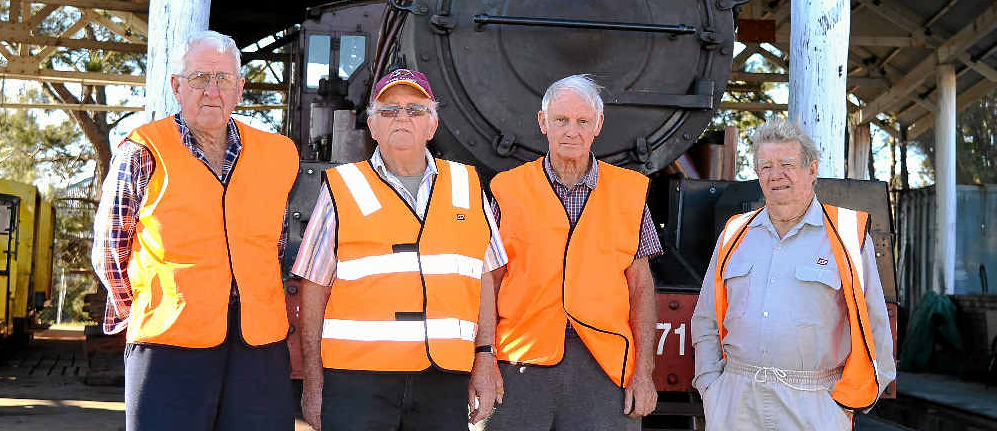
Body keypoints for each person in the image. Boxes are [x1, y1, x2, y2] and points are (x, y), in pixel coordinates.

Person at [91, 30, 298, 431]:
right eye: (200, 78)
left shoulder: (277, 154)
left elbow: (276, 245)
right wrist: (143, 312)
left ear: (239, 88)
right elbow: (109, 249)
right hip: (168, 347)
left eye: (222, 79)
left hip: (258, 349)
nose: (212, 91)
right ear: (177, 87)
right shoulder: (142, 152)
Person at [293, 68, 508, 430]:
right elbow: (313, 288)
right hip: (358, 381)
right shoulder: (342, 188)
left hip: (443, 379)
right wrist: (313, 381)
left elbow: (485, 276)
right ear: (373, 127)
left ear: (432, 125)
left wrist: (485, 357)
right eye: (389, 110)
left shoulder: (468, 186)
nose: (402, 118)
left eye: (415, 109)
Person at [691, 117, 896, 430]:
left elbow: (876, 325)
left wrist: (844, 406)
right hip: (736, 399)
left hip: (815, 400)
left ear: (811, 170)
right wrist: (710, 386)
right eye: (766, 166)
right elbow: (705, 319)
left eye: (786, 164)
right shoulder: (734, 234)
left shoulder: (846, 235)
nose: (776, 175)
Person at [484, 74, 661, 431]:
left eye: (582, 121)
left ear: (598, 125)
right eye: (561, 120)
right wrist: (482, 361)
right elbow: (487, 283)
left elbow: (641, 289)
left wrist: (644, 372)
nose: (571, 131)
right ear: (543, 122)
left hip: (605, 364)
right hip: (518, 363)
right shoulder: (507, 190)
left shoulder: (630, 193)